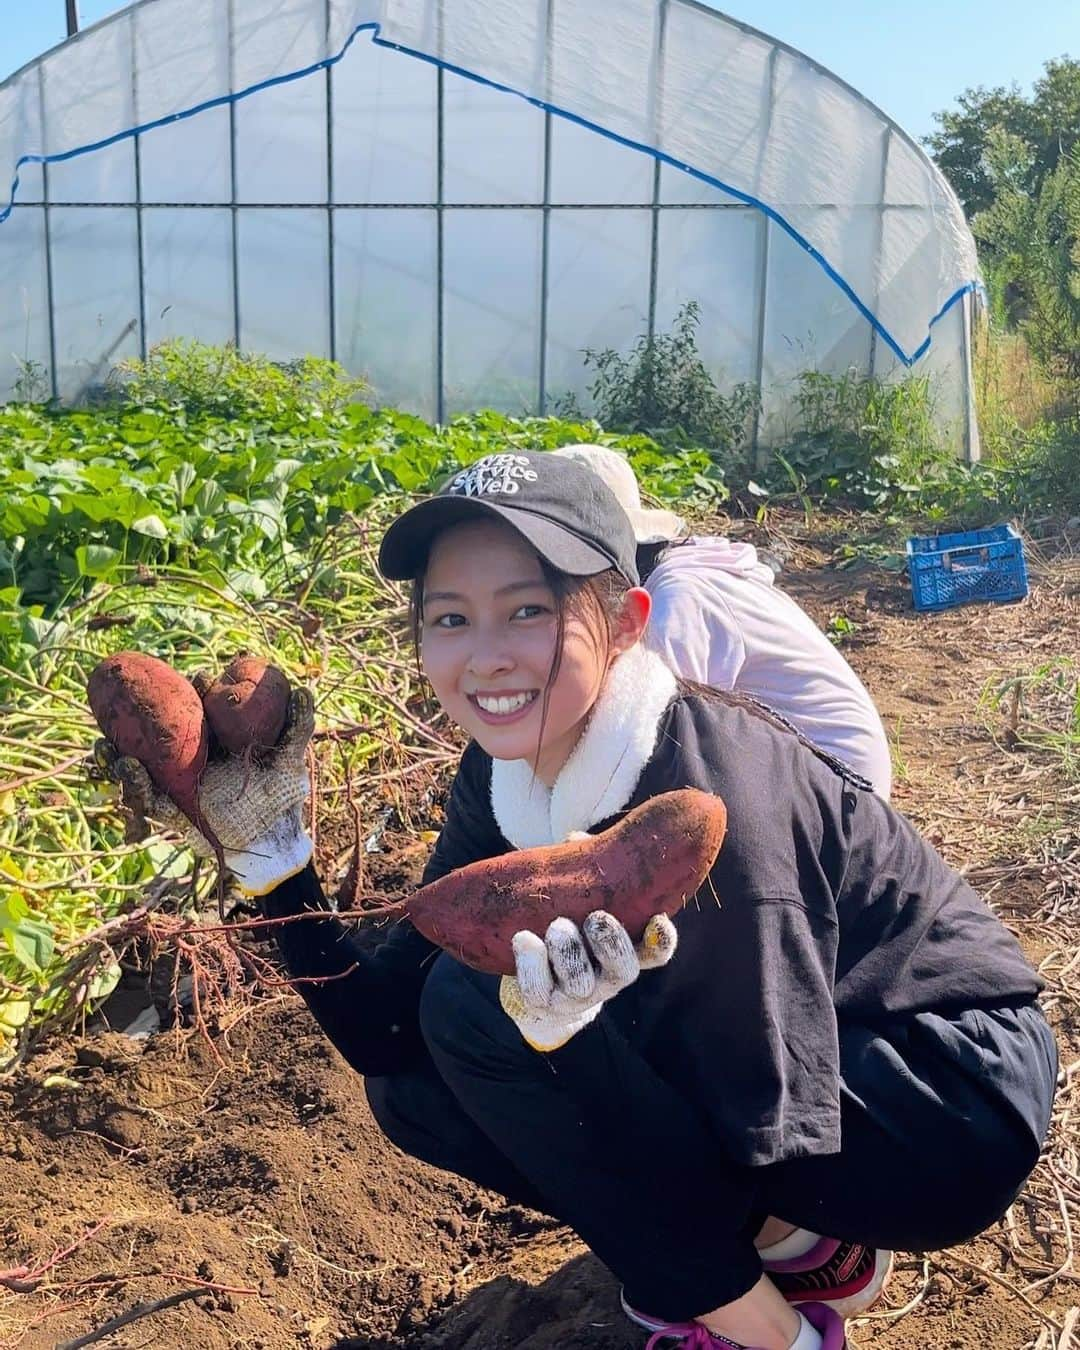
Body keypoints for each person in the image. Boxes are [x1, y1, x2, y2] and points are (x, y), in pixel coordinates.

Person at [102, 451, 1056, 1350]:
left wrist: (580, 1066)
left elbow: (772, 1098)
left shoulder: (706, 805)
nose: (485, 658)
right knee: (416, 1094)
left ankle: (777, 1328)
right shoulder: (499, 780)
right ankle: (796, 1248)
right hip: (814, 1074)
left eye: (528, 612)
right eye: (449, 619)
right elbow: (385, 1034)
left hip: (938, 1102)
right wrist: (276, 869)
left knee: (487, 1020)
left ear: (630, 620)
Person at [552, 444, 893, 799]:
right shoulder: (680, 573)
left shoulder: (681, 598)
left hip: (839, 794)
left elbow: (641, 736)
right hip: (813, 772)